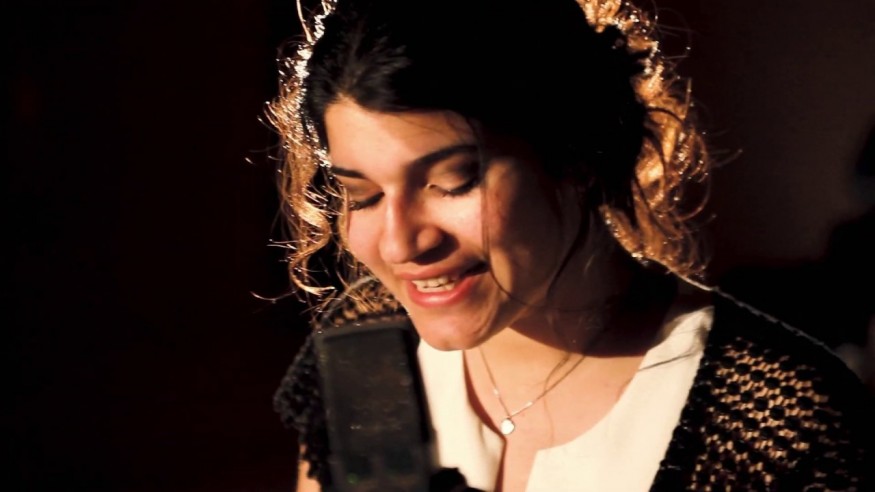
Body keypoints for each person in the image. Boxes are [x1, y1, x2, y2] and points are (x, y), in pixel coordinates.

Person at [268, 0, 872, 490]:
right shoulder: (366, 345)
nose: (401, 242)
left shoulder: (780, 420)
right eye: (363, 195)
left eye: (454, 182)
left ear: (577, 155)